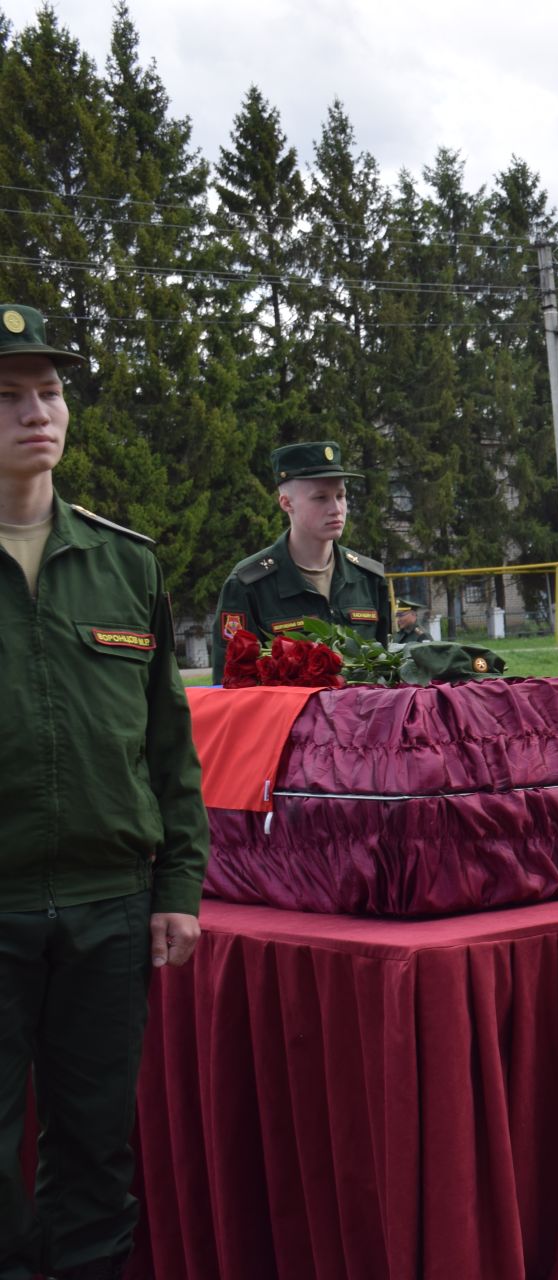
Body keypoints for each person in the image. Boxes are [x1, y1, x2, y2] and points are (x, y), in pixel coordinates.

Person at [0, 303, 209, 1280]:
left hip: (107, 912)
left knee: (95, 1151)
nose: (33, 411)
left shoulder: (127, 564)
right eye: (7, 396)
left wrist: (177, 887)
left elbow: (170, 745)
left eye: (46, 392)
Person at [210, 440, 389, 677]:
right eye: (320, 498)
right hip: (288, 715)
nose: (336, 508)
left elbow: (386, 674)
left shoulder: (368, 578)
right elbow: (231, 685)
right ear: (286, 503)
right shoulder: (248, 585)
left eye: (341, 495)